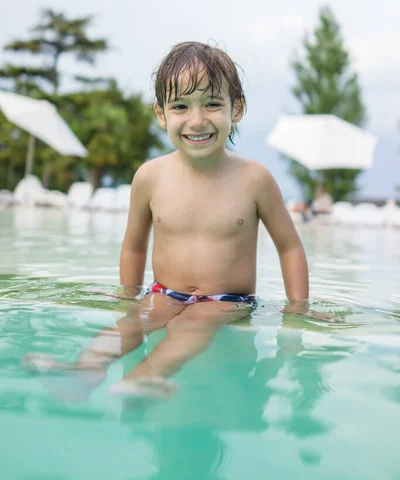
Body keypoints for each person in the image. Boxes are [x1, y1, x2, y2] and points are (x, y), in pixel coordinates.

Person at [24, 41, 326, 399]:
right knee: (133, 320)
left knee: (193, 324)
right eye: (181, 106)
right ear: (161, 114)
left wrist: (298, 309)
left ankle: (143, 377)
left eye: (212, 104)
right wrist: (128, 294)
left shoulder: (254, 179)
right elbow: (134, 244)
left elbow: (289, 247)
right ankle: (84, 371)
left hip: (228, 300)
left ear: (237, 109)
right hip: (163, 292)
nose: (196, 120)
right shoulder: (150, 177)